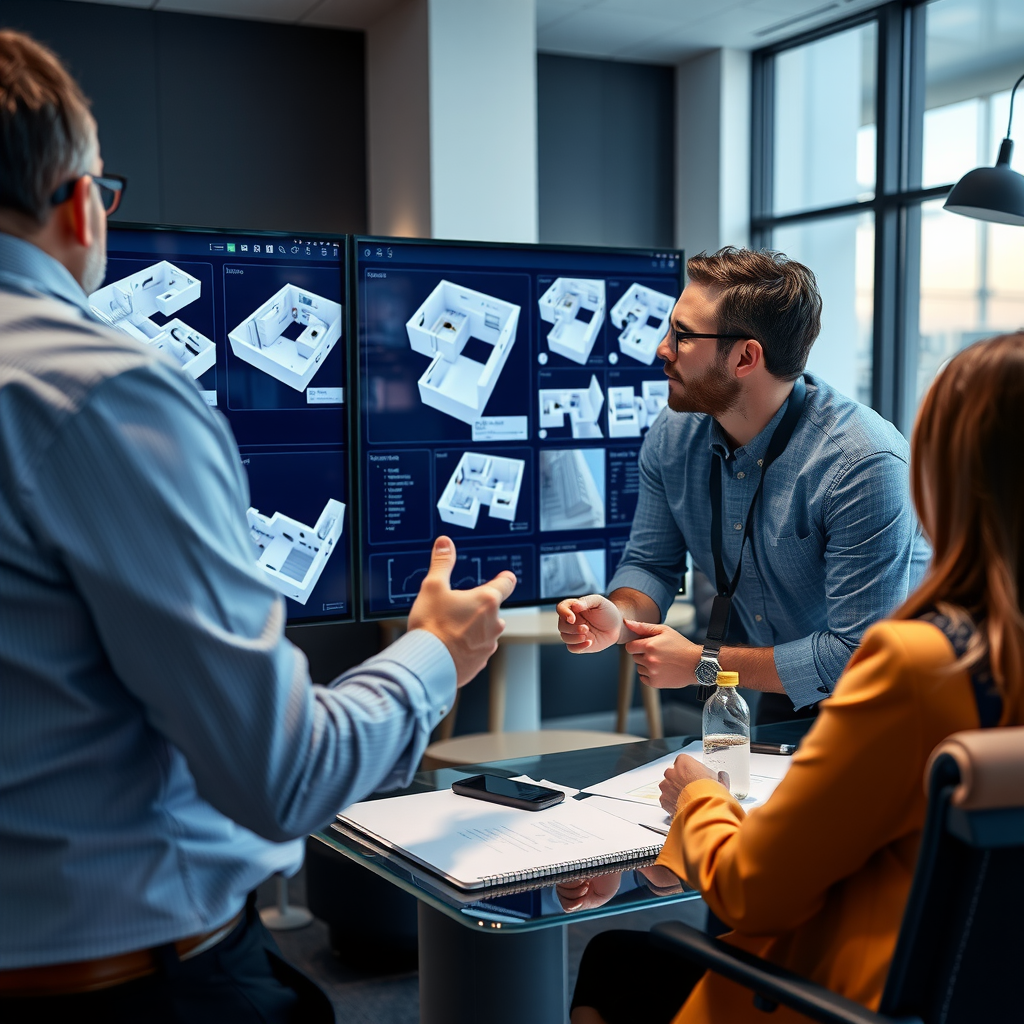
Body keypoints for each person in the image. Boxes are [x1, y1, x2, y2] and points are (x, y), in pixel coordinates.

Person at [0, 30, 515, 1021]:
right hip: (122, 982)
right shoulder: (104, 394)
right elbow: (281, 774)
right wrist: (433, 656)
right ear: (78, 206)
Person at [570, 331, 1024, 1024]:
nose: (664, 347)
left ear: (944, 480)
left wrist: (695, 799)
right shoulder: (991, 665)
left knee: (611, 966)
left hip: (849, 998)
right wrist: (655, 863)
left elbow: (756, 892)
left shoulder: (918, 667)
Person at [557, 248, 930, 721]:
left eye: (683, 335)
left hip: (897, 705)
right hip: (784, 687)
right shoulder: (673, 436)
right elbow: (651, 562)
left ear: (745, 357)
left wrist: (702, 665)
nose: (662, 348)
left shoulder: (862, 463)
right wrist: (620, 619)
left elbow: (858, 655)